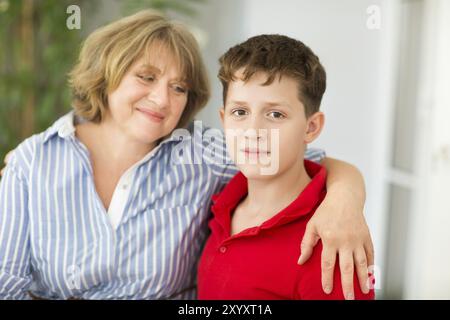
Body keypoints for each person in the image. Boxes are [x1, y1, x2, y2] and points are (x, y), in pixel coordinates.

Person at [0, 10, 373, 300]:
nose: (162, 99)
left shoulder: (203, 153)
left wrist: (344, 201)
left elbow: (304, 157)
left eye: (178, 87)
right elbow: (6, 284)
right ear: (106, 75)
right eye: (146, 77)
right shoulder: (32, 163)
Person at [198, 34, 375, 299]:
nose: (252, 131)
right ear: (224, 119)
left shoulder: (333, 243)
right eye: (240, 112)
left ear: (311, 127)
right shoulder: (222, 203)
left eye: (275, 114)